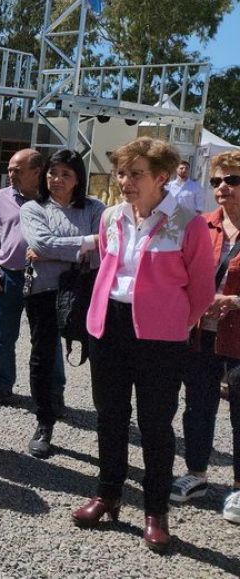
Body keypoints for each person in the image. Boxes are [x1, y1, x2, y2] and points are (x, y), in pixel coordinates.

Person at [72, 137, 214, 553]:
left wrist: (175, 323)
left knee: (155, 425)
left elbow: (202, 291)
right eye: (121, 173)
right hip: (110, 327)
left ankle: (155, 511)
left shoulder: (189, 224)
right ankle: (107, 494)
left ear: (162, 177)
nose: (125, 181)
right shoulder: (111, 217)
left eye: (136, 174)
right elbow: (108, 269)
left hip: (161, 337)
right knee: (109, 416)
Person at [18, 150, 105, 457]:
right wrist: (87, 242)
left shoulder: (95, 208)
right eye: (52, 173)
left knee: (99, 355)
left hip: (86, 291)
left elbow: (104, 251)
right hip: (43, 291)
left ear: (78, 178)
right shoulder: (33, 208)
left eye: (65, 174)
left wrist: (55, 250)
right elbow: (40, 243)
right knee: (42, 356)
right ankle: (44, 422)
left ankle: (107, 425)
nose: (56, 180)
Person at [172, 150, 240, 522]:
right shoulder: (202, 225)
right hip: (201, 335)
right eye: (216, 181)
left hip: (239, 337)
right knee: (198, 407)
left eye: (232, 180)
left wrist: (235, 300)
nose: (222, 187)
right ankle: (196, 473)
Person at [0, 149, 48, 407]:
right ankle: (3, 386)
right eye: (9, 169)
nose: (10, 174)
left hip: (43, 279)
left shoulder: (51, 200)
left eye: (17, 170)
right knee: (4, 336)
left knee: (44, 339)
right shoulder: (0, 198)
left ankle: (51, 395)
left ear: (36, 172)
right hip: (8, 278)